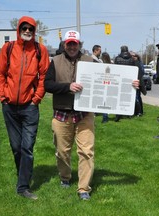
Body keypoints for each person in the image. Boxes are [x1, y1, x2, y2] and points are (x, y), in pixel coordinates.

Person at [0, 16, 50, 200]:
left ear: (34, 31)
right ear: (19, 29)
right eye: (24, 28)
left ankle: (23, 187)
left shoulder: (40, 50)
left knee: (27, 147)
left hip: (29, 108)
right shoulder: (8, 48)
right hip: (9, 106)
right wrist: (2, 96)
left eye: (31, 29)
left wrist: (36, 99)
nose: (27, 31)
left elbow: (43, 77)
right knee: (16, 146)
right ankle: (23, 174)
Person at [44, 30, 96, 201]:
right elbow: (48, 85)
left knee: (86, 151)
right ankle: (65, 177)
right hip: (62, 112)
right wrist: (68, 87)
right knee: (62, 151)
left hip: (84, 114)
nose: (72, 46)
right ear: (65, 45)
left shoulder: (90, 61)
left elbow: (107, 81)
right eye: (69, 44)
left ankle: (83, 188)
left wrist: (130, 84)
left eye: (75, 43)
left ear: (80, 44)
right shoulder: (55, 61)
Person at [130, 51, 146, 116]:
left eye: (134, 56)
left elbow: (142, 72)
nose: (132, 57)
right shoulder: (137, 63)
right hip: (137, 82)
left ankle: (139, 112)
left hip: (137, 82)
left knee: (137, 97)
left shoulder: (138, 63)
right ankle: (139, 111)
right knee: (138, 97)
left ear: (136, 57)